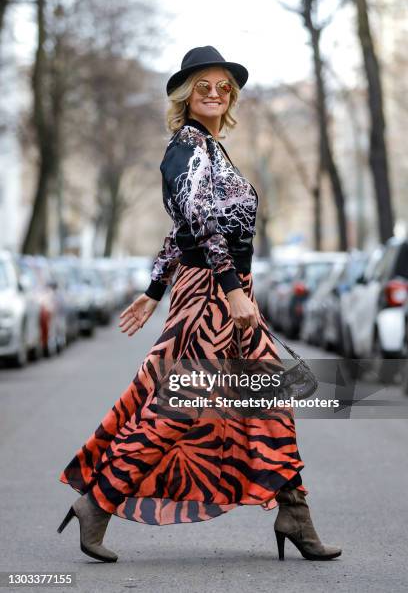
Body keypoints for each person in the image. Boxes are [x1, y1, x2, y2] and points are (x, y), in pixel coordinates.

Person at [57, 46, 342, 563]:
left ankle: (294, 512)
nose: (215, 92)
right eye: (203, 85)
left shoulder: (210, 148)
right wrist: (231, 289)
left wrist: (152, 291)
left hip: (225, 289)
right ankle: (96, 502)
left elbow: (181, 230)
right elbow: (198, 222)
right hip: (212, 293)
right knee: (182, 402)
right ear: (186, 96)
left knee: (268, 395)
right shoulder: (187, 147)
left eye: (223, 86)